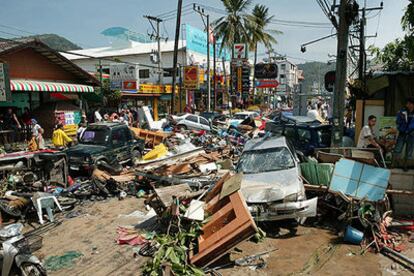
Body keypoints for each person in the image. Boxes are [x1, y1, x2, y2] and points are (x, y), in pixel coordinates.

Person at [394, 97, 414, 165]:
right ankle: (394, 163)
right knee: (398, 148)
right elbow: (397, 121)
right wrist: (400, 127)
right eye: (407, 103)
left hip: (411, 134)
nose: (407, 105)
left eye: (409, 103)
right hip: (402, 133)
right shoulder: (402, 111)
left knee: (409, 150)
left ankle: (406, 165)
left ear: (412, 104)